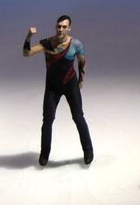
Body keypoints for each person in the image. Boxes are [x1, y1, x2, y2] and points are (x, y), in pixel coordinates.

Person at [23, 15, 93, 166]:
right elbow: (27, 53)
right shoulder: (48, 43)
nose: (61, 29)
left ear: (69, 28)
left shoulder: (76, 44)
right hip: (52, 87)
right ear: (56, 27)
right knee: (47, 120)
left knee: (78, 117)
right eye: (58, 26)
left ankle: (88, 150)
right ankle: (44, 153)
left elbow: (82, 62)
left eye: (64, 26)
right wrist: (29, 36)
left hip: (70, 85)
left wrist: (81, 80)